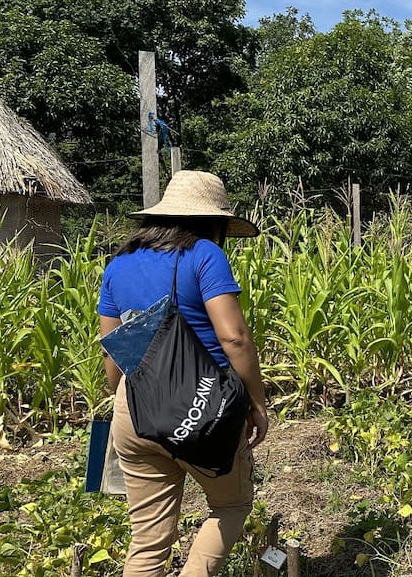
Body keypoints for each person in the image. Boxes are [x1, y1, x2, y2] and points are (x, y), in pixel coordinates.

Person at [98, 170, 268, 577]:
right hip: (204, 406)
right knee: (230, 506)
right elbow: (235, 339)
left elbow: (113, 353)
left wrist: (128, 402)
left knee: (147, 541)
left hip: (135, 410)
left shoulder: (117, 265)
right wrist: (257, 403)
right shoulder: (205, 254)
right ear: (213, 221)